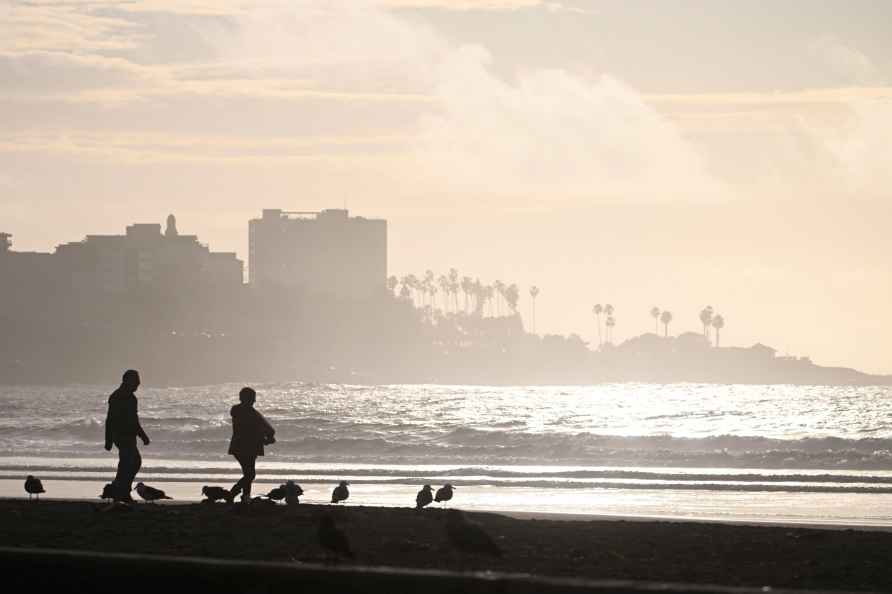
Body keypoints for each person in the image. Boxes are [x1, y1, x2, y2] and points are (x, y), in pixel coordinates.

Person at [104, 369, 150, 502]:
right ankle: (120, 491)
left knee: (128, 463)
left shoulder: (130, 397)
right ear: (128, 381)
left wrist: (141, 435)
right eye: (136, 381)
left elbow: (133, 420)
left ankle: (120, 491)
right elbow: (110, 419)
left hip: (128, 436)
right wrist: (109, 440)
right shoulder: (118, 396)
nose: (138, 384)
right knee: (132, 462)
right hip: (121, 436)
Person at [228, 387, 275, 503]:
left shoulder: (237, 411)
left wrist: (266, 436)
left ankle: (245, 496)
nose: (254, 400)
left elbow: (260, 427)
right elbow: (266, 428)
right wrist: (268, 437)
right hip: (248, 446)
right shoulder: (250, 413)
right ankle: (232, 493)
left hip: (239, 446)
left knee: (248, 472)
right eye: (253, 398)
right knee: (250, 474)